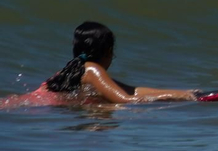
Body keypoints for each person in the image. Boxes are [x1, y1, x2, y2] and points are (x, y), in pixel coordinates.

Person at [2, 22, 198, 106]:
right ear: (108, 51)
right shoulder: (92, 70)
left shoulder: (76, 70)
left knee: (101, 107)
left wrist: (182, 93)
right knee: (107, 109)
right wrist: (174, 97)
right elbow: (126, 100)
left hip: (21, 106)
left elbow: (132, 90)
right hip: (32, 110)